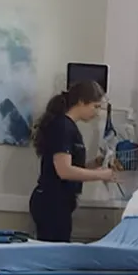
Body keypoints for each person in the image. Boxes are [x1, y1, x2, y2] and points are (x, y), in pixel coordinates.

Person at [29, 81, 116, 242]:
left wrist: (95, 164)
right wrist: (102, 175)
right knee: (54, 254)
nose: (97, 113)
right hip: (51, 202)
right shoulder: (63, 127)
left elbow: (69, 167)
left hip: (59, 201)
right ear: (82, 102)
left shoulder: (69, 127)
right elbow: (64, 171)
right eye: (96, 107)